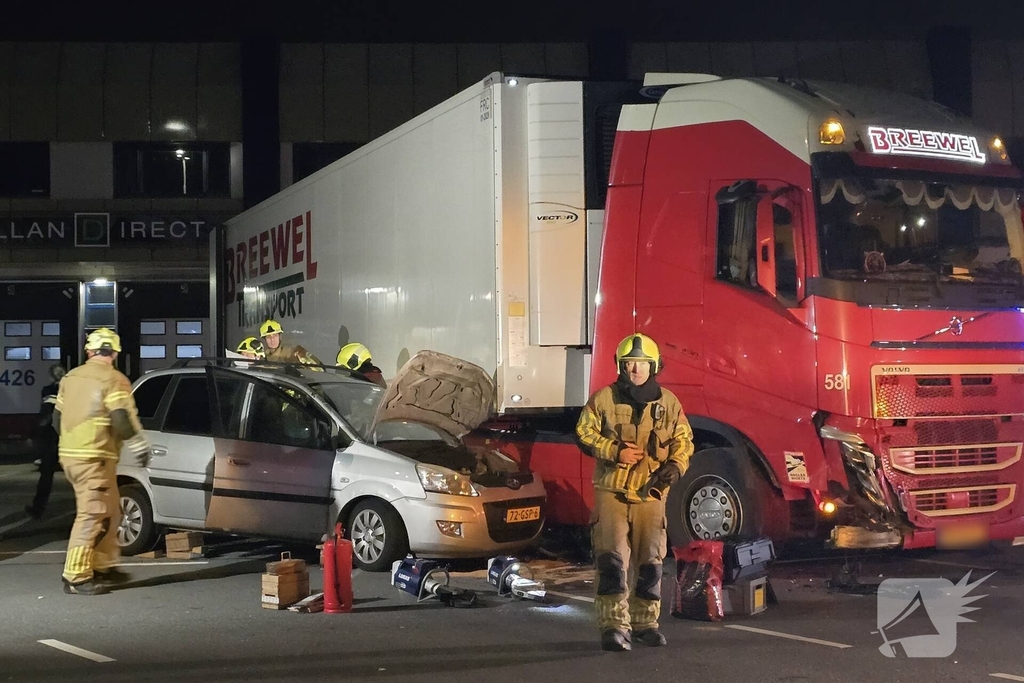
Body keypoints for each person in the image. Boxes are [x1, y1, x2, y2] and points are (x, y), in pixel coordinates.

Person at [575, 333, 694, 651]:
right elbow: (584, 433)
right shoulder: (603, 400)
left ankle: (645, 625)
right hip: (612, 494)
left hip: (651, 497)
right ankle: (613, 626)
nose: (635, 370)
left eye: (641, 364)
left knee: (650, 565)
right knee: (612, 564)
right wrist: (614, 450)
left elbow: (684, 440)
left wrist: (676, 467)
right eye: (628, 364)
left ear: (653, 366)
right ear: (620, 366)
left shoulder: (668, 403)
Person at [54, 328, 151, 596]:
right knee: (93, 514)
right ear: (115, 353)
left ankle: (103, 565)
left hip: (73, 456)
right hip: (95, 457)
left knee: (111, 511)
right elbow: (120, 417)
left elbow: (55, 419)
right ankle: (76, 576)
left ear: (89, 351)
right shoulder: (114, 379)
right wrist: (139, 444)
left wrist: (72, 445)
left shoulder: (71, 378)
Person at [24, 364, 65, 520]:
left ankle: (38, 508)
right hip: (71, 437)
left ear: (51, 376)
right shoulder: (73, 391)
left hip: (51, 439)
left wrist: (33, 434)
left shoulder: (48, 391)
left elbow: (46, 416)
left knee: (46, 475)